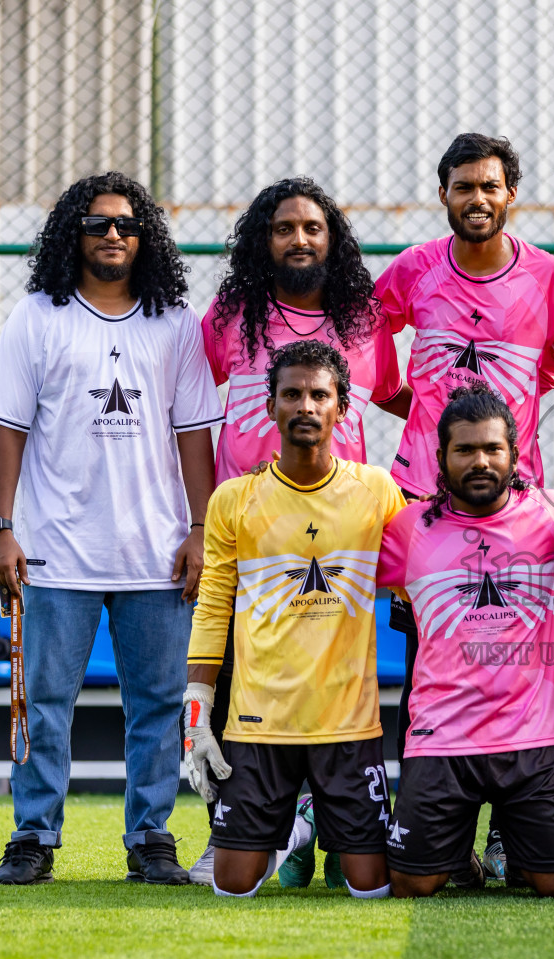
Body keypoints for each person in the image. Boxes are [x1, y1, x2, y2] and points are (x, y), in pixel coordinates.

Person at [0, 172, 219, 886]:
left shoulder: (175, 321)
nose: (112, 234)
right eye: (96, 224)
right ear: (72, 236)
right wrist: (0, 528)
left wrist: (202, 528)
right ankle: (33, 835)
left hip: (156, 554)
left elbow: (194, 438)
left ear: (144, 236)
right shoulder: (37, 317)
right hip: (57, 553)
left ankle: (150, 837)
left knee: (156, 707)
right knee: (44, 703)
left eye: (125, 223)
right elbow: (7, 433)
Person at [189, 176, 410, 886]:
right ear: (264, 239)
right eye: (284, 228)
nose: (299, 239)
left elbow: (398, 397)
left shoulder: (362, 318)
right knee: (244, 680)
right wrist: (198, 518)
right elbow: (194, 409)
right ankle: (247, 821)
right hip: (254, 523)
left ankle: (327, 818)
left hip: (340, 524)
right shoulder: (233, 313)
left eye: (313, 227)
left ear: (332, 238)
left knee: (333, 663)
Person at [372, 132, 554, 879]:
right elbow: (368, 345)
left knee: (515, 649)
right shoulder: (415, 269)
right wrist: (413, 406)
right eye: (465, 186)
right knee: (429, 660)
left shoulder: (552, 279)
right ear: (445, 195)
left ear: (510, 194)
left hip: (514, 504)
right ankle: (438, 827)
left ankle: (514, 828)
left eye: (491, 186)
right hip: (424, 496)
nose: (478, 198)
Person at [377, 383, 554, 897]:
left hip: (531, 740)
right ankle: (459, 857)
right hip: (442, 738)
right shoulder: (407, 529)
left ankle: (505, 844)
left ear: (515, 455)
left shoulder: (553, 516)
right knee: (410, 884)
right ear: (442, 458)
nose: (480, 461)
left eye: (493, 449)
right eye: (465, 450)